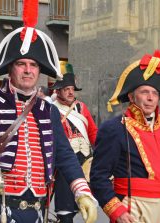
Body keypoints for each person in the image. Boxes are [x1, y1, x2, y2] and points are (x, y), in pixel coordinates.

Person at [0, 2, 98, 221]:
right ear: (10, 67)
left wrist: (82, 192)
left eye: (34, 65)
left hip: (37, 208)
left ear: (39, 70)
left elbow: (65, 155)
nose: (28, 70)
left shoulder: (49, 110)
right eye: (21, 64)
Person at [90, 39, 160, 223]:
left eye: (155, 93)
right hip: (131, 208)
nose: (150, 98)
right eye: (144, 92)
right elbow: (99, 176)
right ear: (131, 96)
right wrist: (116, 210)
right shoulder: (114, 128)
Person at [50, 69, 98, 222]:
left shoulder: (82, 107)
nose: (71, 93)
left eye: (72, 89)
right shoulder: (52, 108)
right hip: (65, 157)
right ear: (58, 91)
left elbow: (93, 132)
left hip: (85, 158)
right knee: (65, 201)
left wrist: (100, 152)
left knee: (87, 197)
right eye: (66, 89)